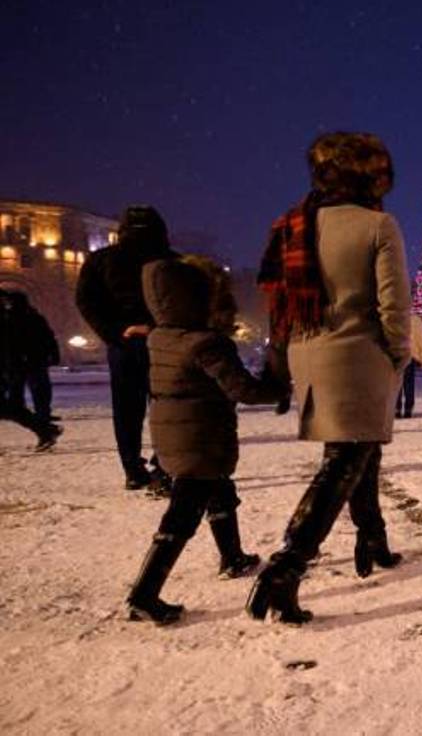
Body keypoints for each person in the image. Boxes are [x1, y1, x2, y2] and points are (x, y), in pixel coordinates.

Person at [248, 132, 409, 625]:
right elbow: (394, 306)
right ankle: (286, 566)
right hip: (359, 356)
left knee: (359, 451)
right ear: (369, 177)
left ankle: (373, 537)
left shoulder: (292, 225)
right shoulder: (378, 225)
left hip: (307, 352)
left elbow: (278, 302)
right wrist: (398, 356)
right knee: (344, 461)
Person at [124, 257, 288, 625]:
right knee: (183, 513)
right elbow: (242, 389)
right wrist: (278, 385)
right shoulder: (206, 343)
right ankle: (144, 594)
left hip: (175, 433)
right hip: (201, 436)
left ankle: (232, 557)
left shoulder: (160, 337)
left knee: (219, 492)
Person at [76, 206, 177, 494]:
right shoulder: (173, 261)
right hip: (165, 343)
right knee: (168, 406)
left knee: (127, 410)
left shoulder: (101, 261)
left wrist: (116, 332)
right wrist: (160, 327)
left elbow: (87, 302)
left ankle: (133, 469)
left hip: (125, 343)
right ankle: (164, 467)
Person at [0, 289, 62, 451]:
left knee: (15, 404)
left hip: (22, 363)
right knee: (12, 406)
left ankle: (45, 427)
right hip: (14, 365)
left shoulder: (16, 318)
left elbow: (45, 337)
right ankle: (46, 429)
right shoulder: (10, 317)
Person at [395, 313, 422, 418]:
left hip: (397, 354)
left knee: (397, 384)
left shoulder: (394, 318)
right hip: (410, 355)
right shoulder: (416, 320)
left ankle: (397, 409)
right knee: (409, 383)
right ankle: (408, 409)